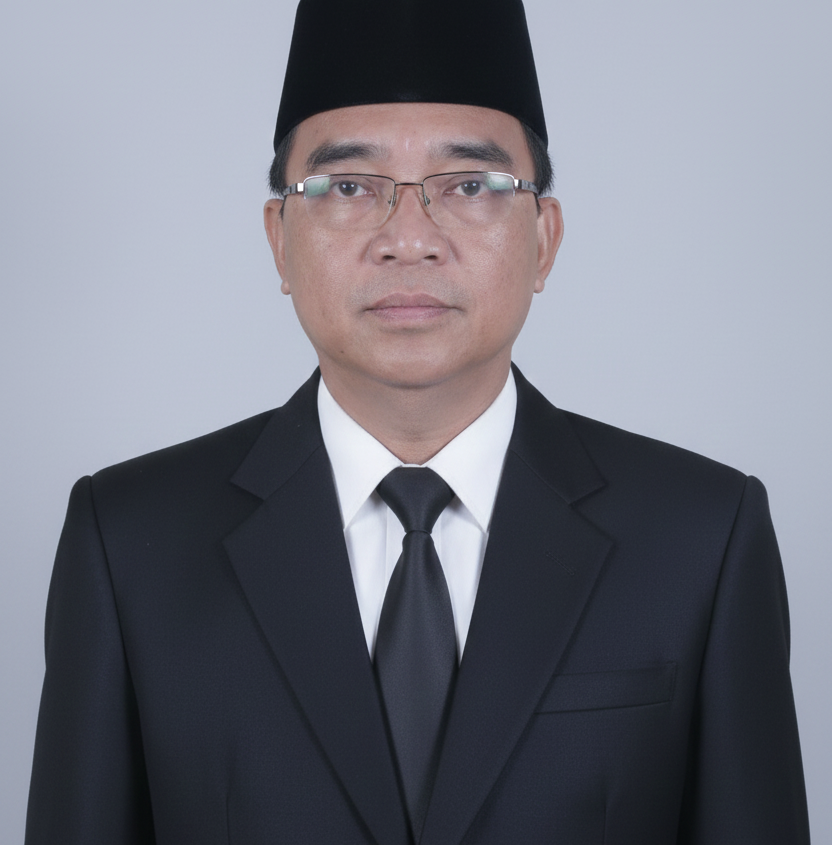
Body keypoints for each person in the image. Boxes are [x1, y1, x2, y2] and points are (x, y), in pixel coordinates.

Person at [25, 0, 810, 842]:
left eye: (469, 185)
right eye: (349, 186)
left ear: (543, 239)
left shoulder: (700, 539)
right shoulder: (131, 545)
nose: (408, 239)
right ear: (280, 238)